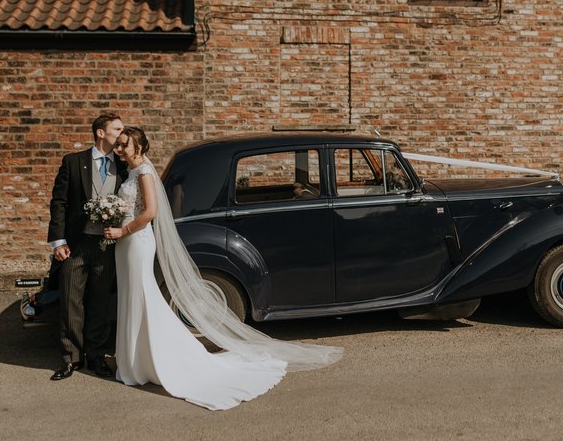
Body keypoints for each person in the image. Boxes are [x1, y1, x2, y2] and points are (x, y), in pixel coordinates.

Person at [103, 127, 342, 410]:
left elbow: (151, 211)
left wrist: (124, 230)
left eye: (123, 145)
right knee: (134, 298)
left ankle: (146, 362)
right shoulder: (131, 172)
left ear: (139, 147)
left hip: (136, 240)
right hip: (125, 242)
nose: (118, 150)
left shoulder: (143, 172)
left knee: (143, 297)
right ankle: (134, 362)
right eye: (117, 145)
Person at [47, 113, 127, 381]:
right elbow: (59, 202)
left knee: (100, 303)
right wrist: (58, 241)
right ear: (100, 133)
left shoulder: (123, 166)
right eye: (117, 129)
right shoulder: (73, 162)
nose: (122, 133)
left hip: (106, 245)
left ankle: (96, 355)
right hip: (75, 244)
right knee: (70, 301)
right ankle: (71, 358)